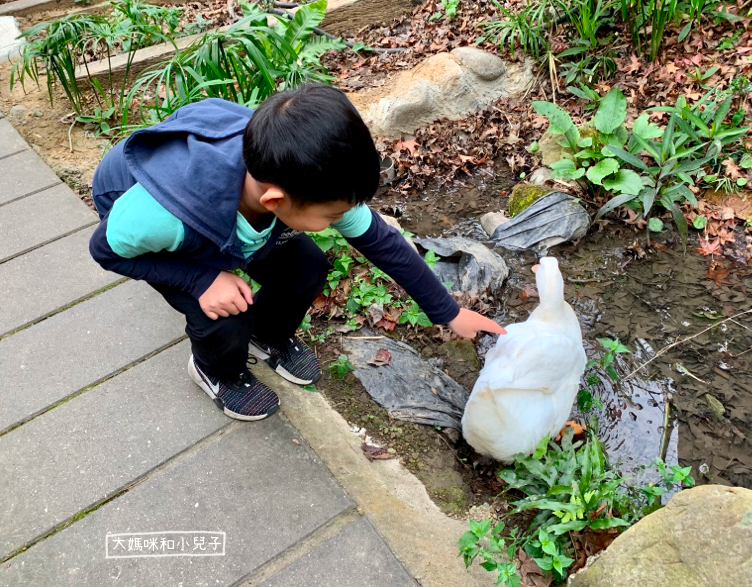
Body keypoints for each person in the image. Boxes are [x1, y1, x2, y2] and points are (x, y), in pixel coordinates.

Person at [89, 84, 505, 422]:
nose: (343, 219)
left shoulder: (297, 172)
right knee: (227, 308)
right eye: (334, 214)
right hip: (163, 223)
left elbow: (381, 241)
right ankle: (216, 371)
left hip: (231, 213)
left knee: (306, 265)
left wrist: (447, 312)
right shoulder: (160, 216)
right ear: (275, 201)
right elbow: (106, 251)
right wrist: (200, 280)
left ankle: (267, 336)